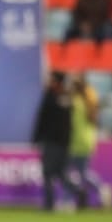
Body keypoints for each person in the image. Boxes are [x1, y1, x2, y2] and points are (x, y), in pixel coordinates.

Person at [32, 71, 85, 211]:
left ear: (55, 81)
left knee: (48, 173)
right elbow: (69, 123)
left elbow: (42, 120)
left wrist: (36, 138)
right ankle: (79, 191)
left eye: (50, 79)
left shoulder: (50, 97)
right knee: (61, 173)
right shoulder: (66, 98)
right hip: (64, 142)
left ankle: (49, 203)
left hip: (51, 142)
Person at [67, 73, 100, 208]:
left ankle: (69, 199)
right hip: (87, 141)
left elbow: (71, 124)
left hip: (75, 142)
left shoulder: (75, 103)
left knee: (65, 173)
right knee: (82, 172)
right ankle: (100, 189)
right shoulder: (89, 100)